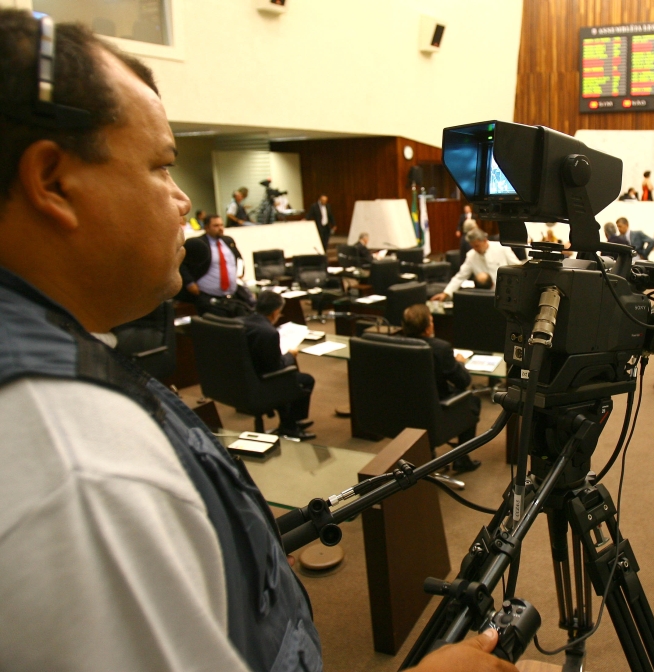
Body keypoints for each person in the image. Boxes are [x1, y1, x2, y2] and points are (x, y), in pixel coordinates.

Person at [0, 12, 514, 672]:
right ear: (52, 182)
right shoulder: (81, 474)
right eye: (161, 165)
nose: (182, 200)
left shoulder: (63, 381)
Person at [402, 304, 481, 473]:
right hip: (436, 412)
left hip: (403, 410)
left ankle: (427, 453)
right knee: (472, 400)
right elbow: (463, 381)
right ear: (428, 327)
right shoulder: (440, 348)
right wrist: (459, 362)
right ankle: (461, 458)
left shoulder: (395, 345)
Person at [243, 292, 316, 440]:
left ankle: (290, 421)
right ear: (276, 311)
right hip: (262, 381)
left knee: (291, 375)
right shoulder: (269, 333)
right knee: (305, 380)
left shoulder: (242, 321)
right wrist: (290, 354)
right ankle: (290, 426)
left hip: (244, 377)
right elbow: (276, 366)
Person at [179, 214, 253, 316]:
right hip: (207, 297)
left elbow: (238, 258)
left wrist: (241, 272)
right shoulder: (199, 244)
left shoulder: (228, 241)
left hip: (230, 296)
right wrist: (190, 283)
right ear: (206, 227)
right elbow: (182, 264)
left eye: (221, 225)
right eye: (216, 226)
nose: (220, 228)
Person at [432, 228, 520, 301]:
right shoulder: (471, 255)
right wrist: (446, 293)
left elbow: (518, 267)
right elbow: (460, 276)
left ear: (485, 240)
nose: (475, 249)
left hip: (506, 293)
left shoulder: (502, 248)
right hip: (484, 296)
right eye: (473, 246)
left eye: (477, 246)